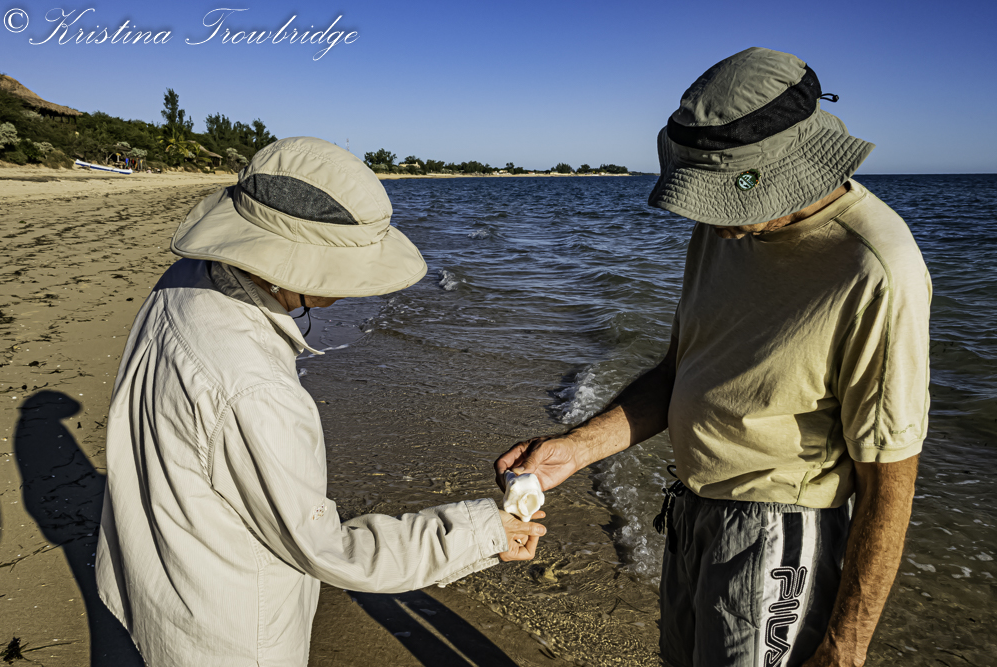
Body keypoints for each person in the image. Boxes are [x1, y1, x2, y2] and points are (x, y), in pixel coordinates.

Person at [496, 47, 930, 667]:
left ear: (788, 168)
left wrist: (846, 643)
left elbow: (890, 478)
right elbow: (680, 372)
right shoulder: (723, 228)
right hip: (690, 511)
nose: (713, 218)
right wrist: (576, 448)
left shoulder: (877, 268)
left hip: (780, 535)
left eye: (728, 198)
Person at [96, 136, 546, 667]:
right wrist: (482, 532)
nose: (358, 287)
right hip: (228, 633)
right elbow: (329, 550)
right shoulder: (257, 388)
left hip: (146, 585)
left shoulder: (187, 281)